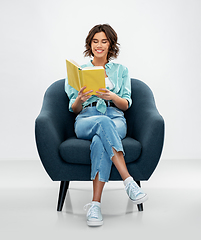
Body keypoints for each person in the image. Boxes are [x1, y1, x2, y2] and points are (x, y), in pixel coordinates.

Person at [65, 24, 148, 227]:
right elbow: (73, 108)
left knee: (99, 140)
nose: (99, 45)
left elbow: (126, 103)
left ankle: (95, 205)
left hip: (115, 117)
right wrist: (81, 99)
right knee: (101, 122)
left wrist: (112, 96)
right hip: (86, 118)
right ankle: (128, 181)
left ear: (111, 44)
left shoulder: (121, 71)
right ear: (90, 44)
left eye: (104, 41)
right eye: (95, 41)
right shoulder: (79, 71)